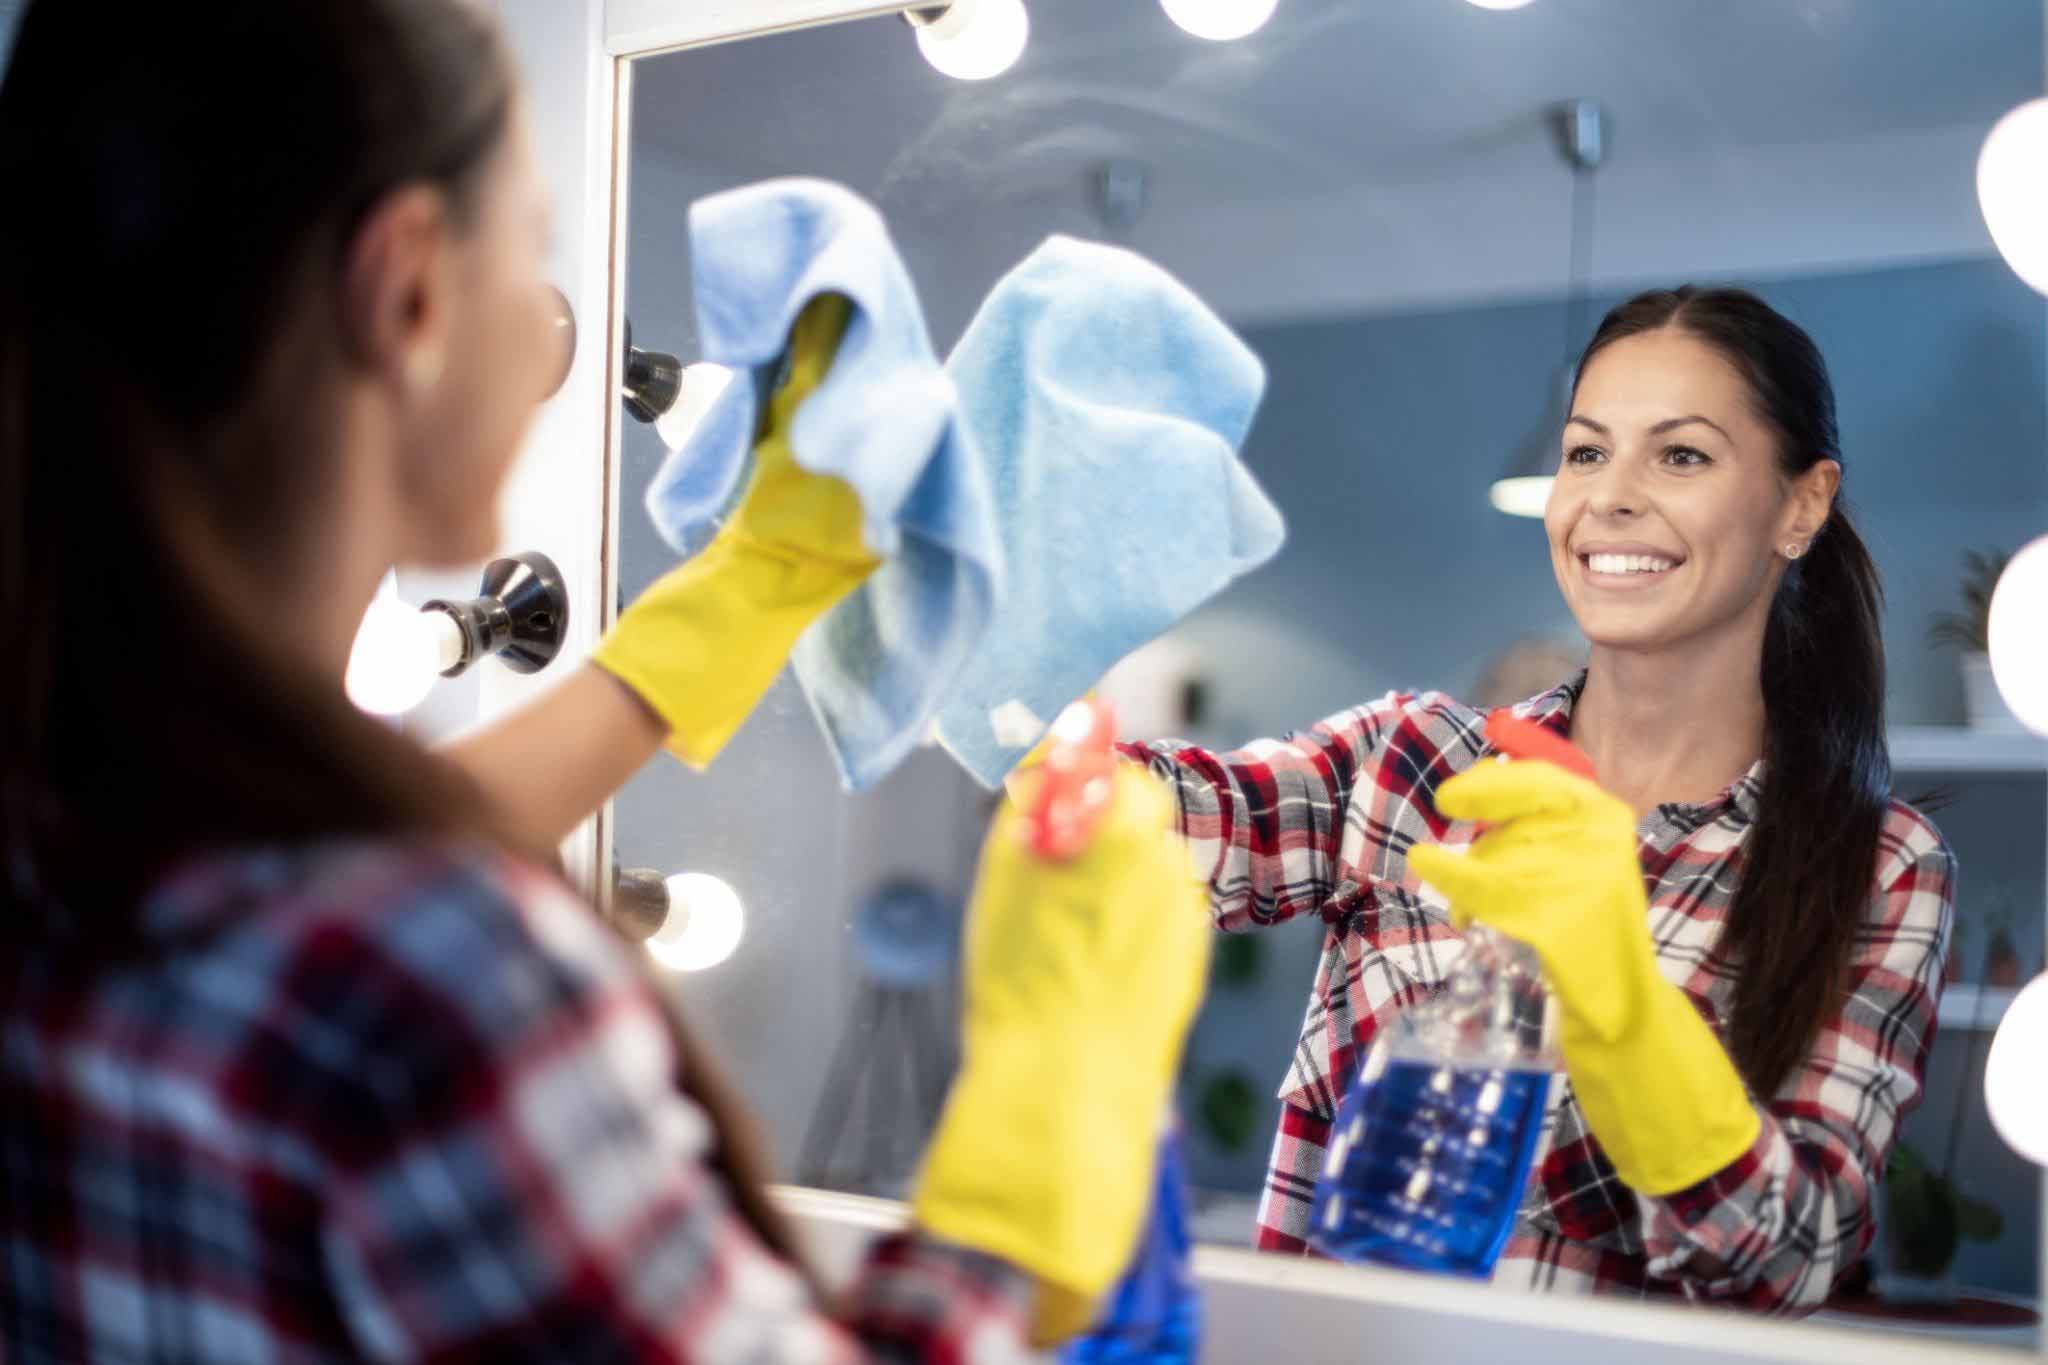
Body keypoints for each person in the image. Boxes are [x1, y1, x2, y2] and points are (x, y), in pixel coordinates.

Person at [0, 2, 1207, 1360]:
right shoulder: (444, 985)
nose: (546, 329)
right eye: (533, 252)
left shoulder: (83, 834)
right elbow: (385, 935)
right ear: (405, 295)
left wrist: (739, 599)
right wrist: (1044, 1106)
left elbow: (317, 858)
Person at [1119, 286, 1955, 1314]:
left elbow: (1788, 1255)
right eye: (1584, 452)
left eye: (1680, 455)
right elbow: (1164, 822)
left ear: (1800, 504)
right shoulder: (1414, 766)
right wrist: (992, 672)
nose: (1607, 497)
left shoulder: (1878, 864)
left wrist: (1621, 1011)